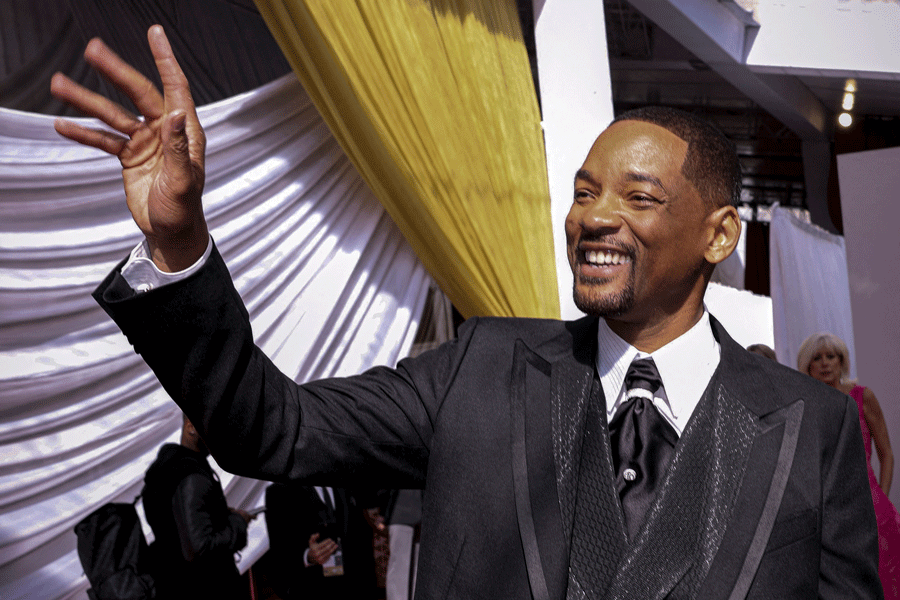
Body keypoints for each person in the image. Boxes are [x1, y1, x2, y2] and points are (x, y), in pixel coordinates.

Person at [51, 25, 882, 599]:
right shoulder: (478, 369)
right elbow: (274, 426)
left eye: (638, 196)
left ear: (718, 233)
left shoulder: (812, 428)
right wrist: (181, 243)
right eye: (584, 192)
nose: (593, 217)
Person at [799, 332, 900, 598]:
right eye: (817, 358)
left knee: (887, 582)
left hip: (874, 506)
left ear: (841, 361)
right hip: (828, 510)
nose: (824, 364)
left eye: (831, 357)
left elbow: (886, 453)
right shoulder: (805, 405)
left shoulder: (862, 396)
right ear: (807, 366)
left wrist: (883, 497)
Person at [141, 414, 254, 600]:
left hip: (176, 586)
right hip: (206, 588)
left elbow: (176, 526)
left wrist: (220, 516)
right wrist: (238, 522)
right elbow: (198, 548)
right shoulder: (191, 474)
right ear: (190, 426)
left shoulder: (166, 470)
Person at [264, 483, 381, 600]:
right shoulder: (279, 491)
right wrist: (307, 557)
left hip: (357, 588)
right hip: (312, 589)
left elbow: (363, 540)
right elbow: (278, 553)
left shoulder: (349, 480)